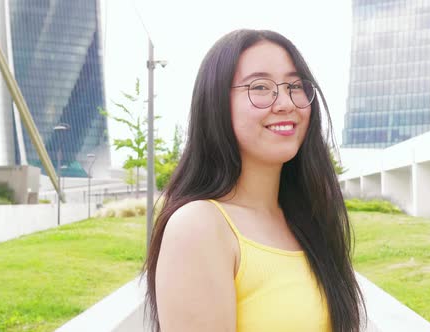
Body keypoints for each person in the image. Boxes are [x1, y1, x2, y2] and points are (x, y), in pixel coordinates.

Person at [142, 29, 367, 332]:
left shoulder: (308, 218)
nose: (286, 102)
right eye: (260, 87)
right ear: (216, 103)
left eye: (295, 85)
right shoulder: (199, 226)